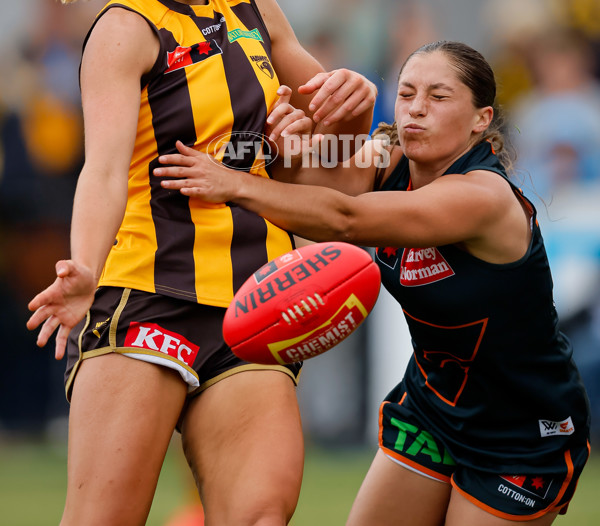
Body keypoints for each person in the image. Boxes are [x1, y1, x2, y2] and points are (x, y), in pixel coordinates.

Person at [25, 0, 377, 526]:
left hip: (255, 305)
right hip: (145, 300)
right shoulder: (125, 30)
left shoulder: (251, 1)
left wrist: (356, 107)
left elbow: (336, 153)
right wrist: (84, 271)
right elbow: (100, 170)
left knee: (260, 517)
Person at [154, 40, 591, 524]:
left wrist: (235, 184)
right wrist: (278, 142)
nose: (416, 110)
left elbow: (344, 218)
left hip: (521, 431)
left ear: (480, 119)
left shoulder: (483, 198)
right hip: (433, 406)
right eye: (406, 94)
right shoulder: (389, 156)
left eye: (439, 97)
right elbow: (313, 184)